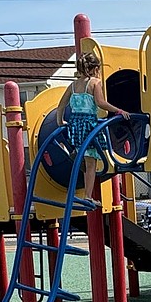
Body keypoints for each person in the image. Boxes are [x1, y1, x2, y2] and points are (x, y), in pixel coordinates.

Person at [52, 51, 131, 201]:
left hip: (75, 125)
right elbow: (100, 103)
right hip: (89, 124)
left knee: (83, 156)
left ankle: (79, 189)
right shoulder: (95, 83)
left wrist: (59, 121)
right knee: (91, 163)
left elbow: (61, 104)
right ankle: (88, 195)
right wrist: (119, 111)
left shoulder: (73, 85)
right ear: (95, 69)